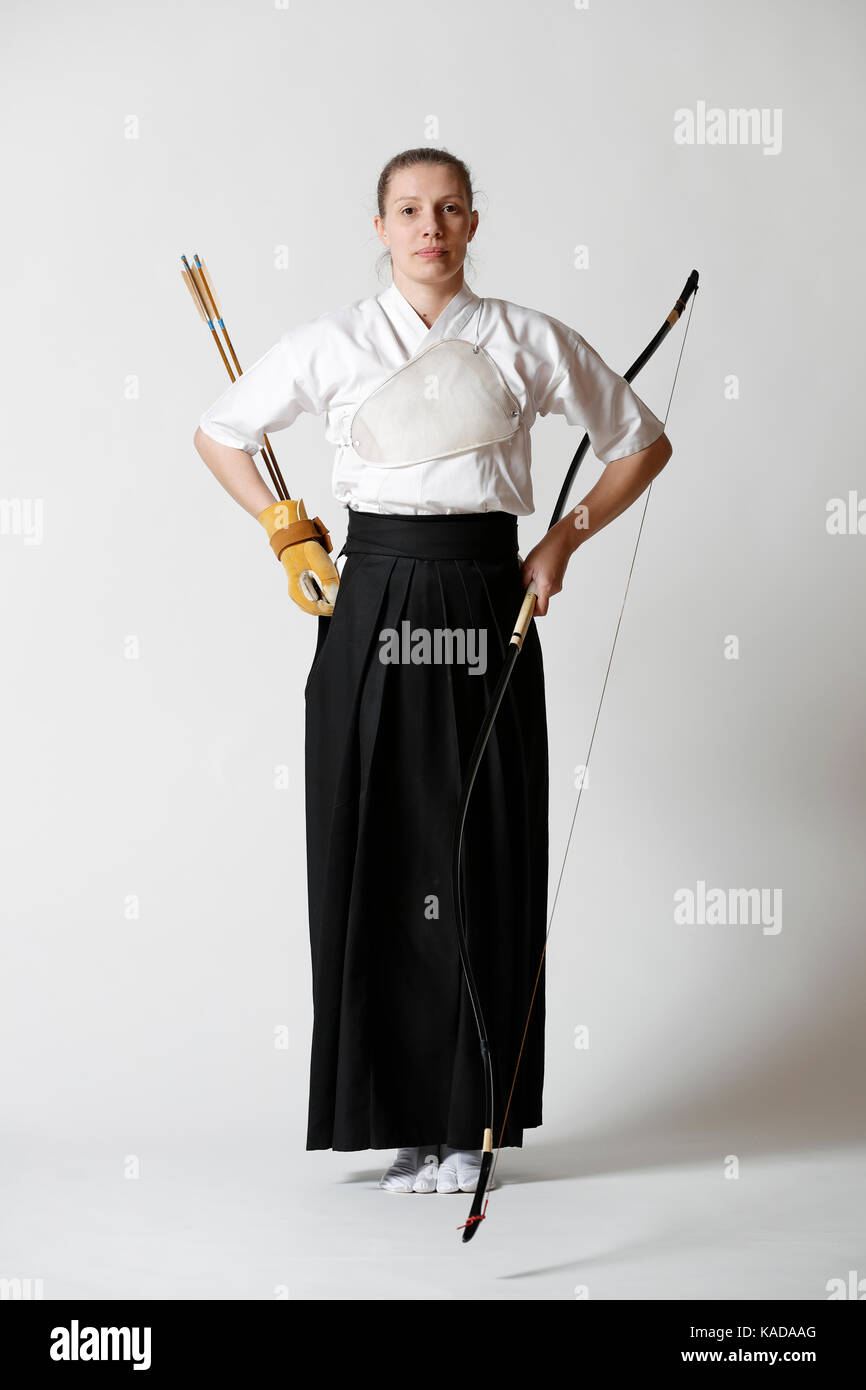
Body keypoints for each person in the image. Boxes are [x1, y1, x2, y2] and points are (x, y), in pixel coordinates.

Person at [193, 147, 672, 1197]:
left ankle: (470, 1121)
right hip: (367, 594)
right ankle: (400, 1117)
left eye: (448, 208)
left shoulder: (524, 338)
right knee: (375, 838)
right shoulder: (336, 340)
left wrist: (561, 543)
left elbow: (638, 441)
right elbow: (221, 431)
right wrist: (287, 531)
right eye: (408, 209)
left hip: (481, 591)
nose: (429, 227)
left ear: (471, 223)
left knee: (475, 845)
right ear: (379, 226)